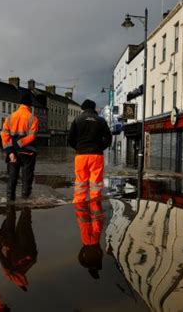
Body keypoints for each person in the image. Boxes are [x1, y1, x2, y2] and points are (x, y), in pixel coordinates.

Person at [68, 99, 111, 264]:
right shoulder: (101, 120)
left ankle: (79, 206)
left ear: (83, 109)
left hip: (81, 155)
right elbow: (109, 138)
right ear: (94, 109)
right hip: (96, 155)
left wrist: (79, 146)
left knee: (80, 184)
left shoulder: (77, 120)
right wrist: (100, 147)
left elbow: (70, 139)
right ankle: (94, 205)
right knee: (95, 184)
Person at [1, 92, 39, 201]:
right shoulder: (33, 118)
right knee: (27, 179)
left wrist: (10, 151)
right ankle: (25, 205)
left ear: (20, 104)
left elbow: (4, 135)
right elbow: (32, 136)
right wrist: (19, 144)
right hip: (28, 153)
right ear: (29, 105)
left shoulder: (9, 117)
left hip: (13, 153)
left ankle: (10, 203)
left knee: (12, 179)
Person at [0, 205, 38, 292]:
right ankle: (19, 199)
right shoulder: (10, 270)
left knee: (22, 218)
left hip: (15, 244)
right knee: (14, 216)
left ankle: (23, 198)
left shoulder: (28, 263)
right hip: (12, 244)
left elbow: (0, 254)